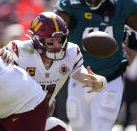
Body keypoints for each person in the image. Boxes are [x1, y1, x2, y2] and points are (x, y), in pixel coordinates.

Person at [0, 12, 107, 131]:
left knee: (57, 128)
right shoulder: (19, 50)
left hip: (37, 113)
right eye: (50, 41)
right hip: (4, 108)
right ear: (36, 40)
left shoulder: (71, 53)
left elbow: (80, 73)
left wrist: (100, 82)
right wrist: (3, 57)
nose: (57, 46)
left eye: (61, 40)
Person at [54, 0, 137, 131]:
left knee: (101, 127)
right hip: (79, 76)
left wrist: (131, 41)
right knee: (79, 127)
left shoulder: (123, 5)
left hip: (110, 76)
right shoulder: (70, 5)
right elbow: (52, 31)